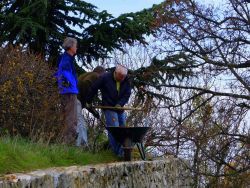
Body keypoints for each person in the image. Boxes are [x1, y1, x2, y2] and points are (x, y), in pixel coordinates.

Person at [86, 64, 131, 155]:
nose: (122, 79)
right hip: (109, 107)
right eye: (120, 77)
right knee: (114, 128)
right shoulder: (105, 77)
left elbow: (127, 94)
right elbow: (94, 88)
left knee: (123, 129)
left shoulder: (126, 80)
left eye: (123, 77)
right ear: (115, 72)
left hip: (120, 108)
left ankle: (122, 152)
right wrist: (88, 101)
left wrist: (120, 104)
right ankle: (116, 153)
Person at [55, 37, 78, 145]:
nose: (76, 47)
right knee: (71, 118)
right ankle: (69, 143)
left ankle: (65, 142)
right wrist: (73, 84)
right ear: (70, 46)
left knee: (67, 117)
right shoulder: (66, 59)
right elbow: (64, 73)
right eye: (75, 45)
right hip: (69, 92)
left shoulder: (65, 58)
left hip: (66, 91)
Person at [76, 66, 105, 147]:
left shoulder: (85, 75)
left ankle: (79, 145)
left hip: (75, 100)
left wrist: (94, 112)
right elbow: (86, 83)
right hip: (75, 100)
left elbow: (86, 104)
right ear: (101, 73)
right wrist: (88, 99)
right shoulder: (95, 76)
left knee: (78, 124)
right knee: (81, 124)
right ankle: (82, 146)